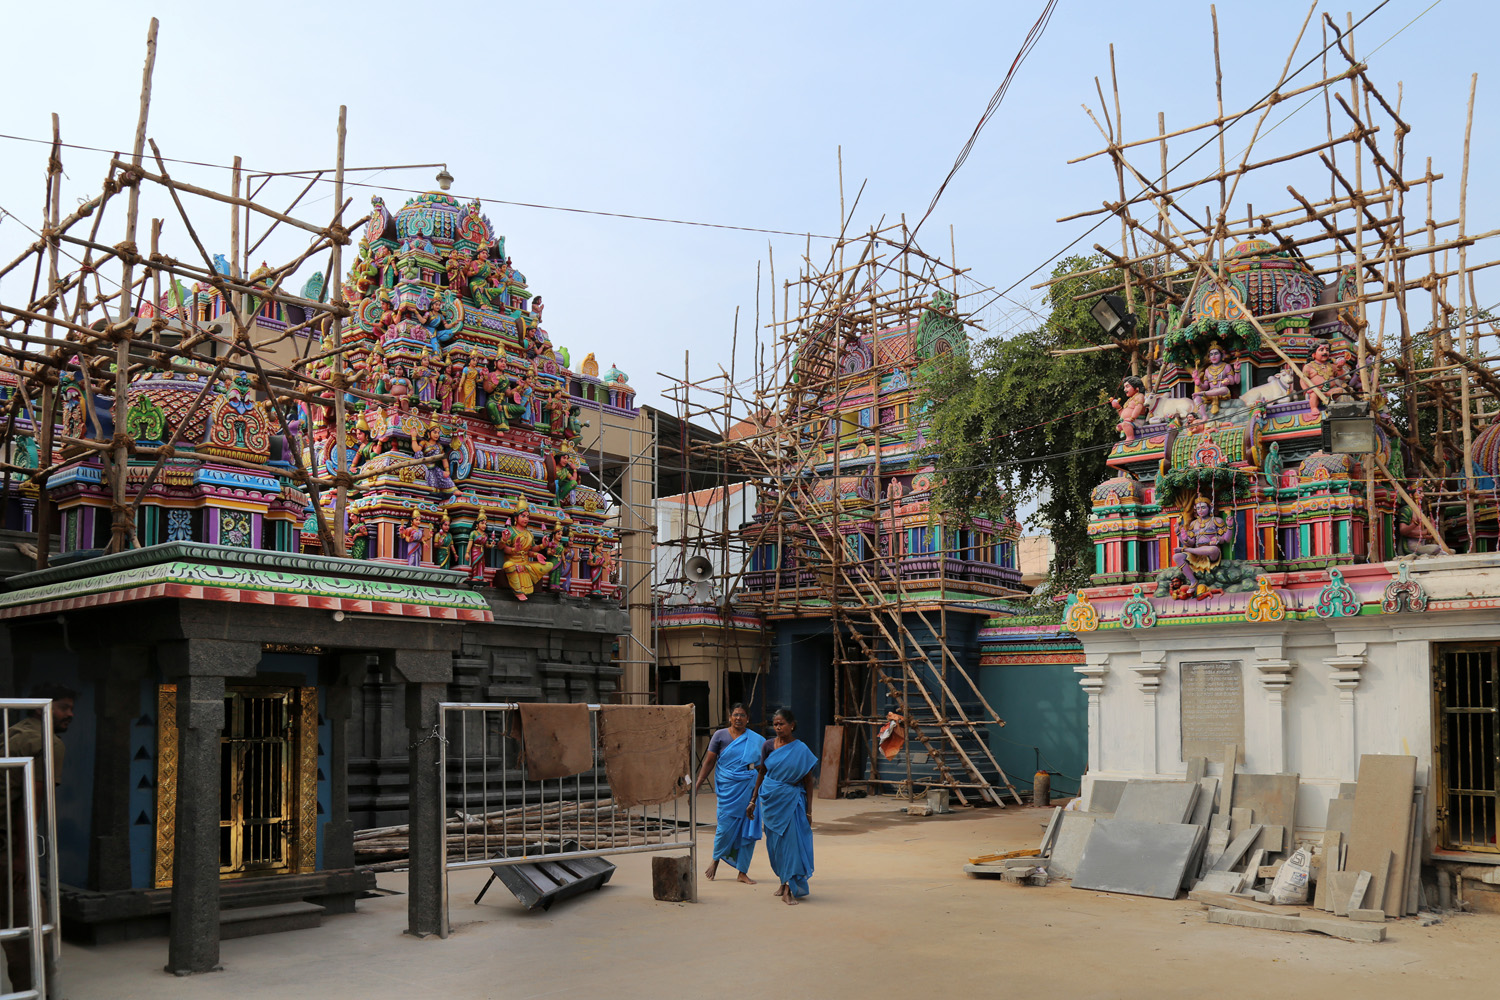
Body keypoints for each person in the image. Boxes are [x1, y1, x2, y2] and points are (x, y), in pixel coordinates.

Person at [3, 684, 74, 993]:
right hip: (7, 847)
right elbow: (33, 799)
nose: (69, 715)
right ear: (41, 708)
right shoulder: (47, 742)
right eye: (63, 707)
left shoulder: (12, 732)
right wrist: (22, 855)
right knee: (30, 934)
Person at [747, 708, 817, 905]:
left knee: (791, 845)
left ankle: (788, 888)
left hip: (792, 802)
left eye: (781, 724)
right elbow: (761, 773)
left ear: (792, 725)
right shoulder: (768, 746)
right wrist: (753, 800)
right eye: (775, 724)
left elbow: (808, 782)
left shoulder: (801, 749)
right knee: (775, 846)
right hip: (770, 801)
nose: (777, 727)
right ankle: (782, 880)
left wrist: (809, 810)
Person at [692, 704, 762, 884]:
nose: (739, 718)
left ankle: (742, 872)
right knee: (724, 827)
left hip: (748, 785)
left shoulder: (756, 740)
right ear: (730, 717)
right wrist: (698, 784)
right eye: (736, 715)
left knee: (747, 829)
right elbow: (709, 762)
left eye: (743, 715)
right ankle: (715, 860)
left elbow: (763, 766)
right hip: (728, 787)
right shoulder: (719, 735)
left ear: (748, 719)